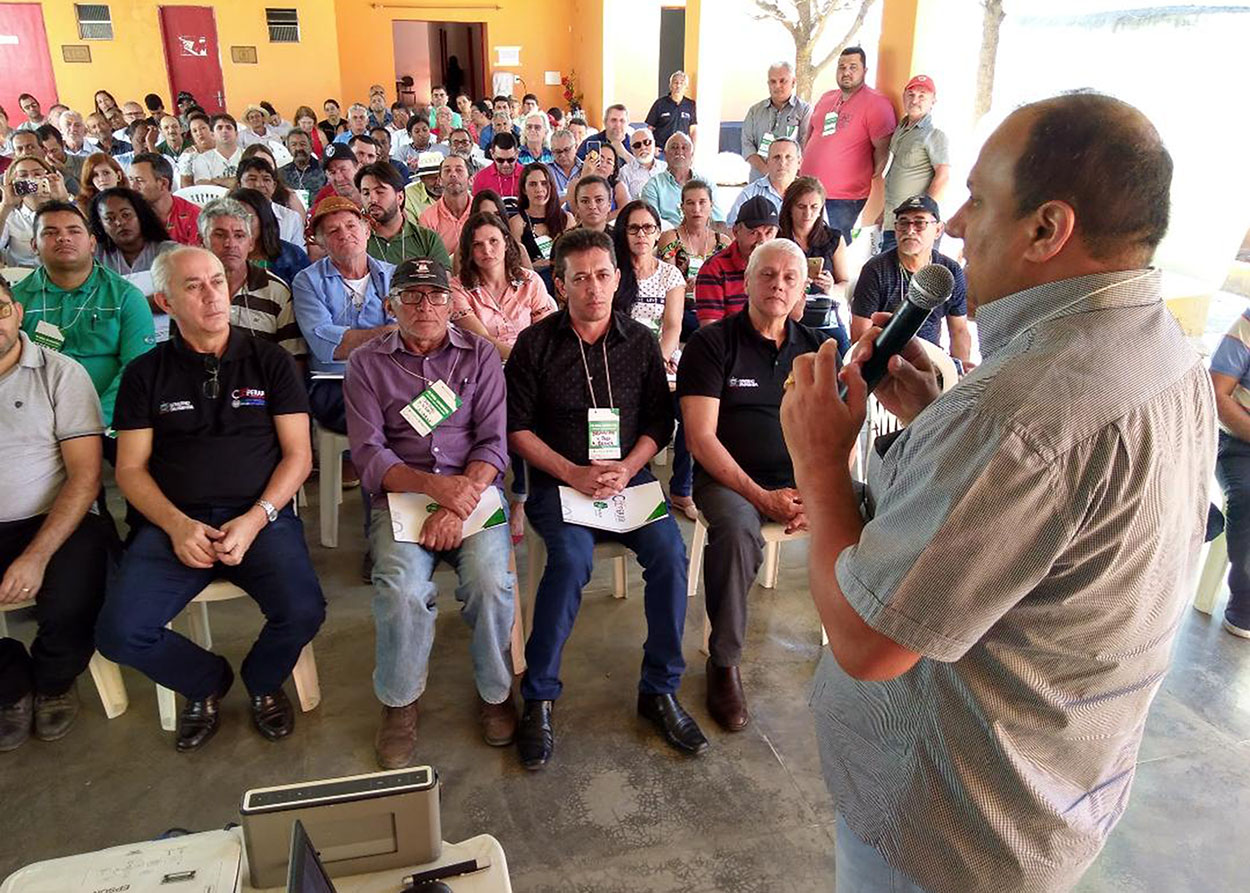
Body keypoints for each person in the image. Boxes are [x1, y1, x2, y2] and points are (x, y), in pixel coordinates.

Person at [780, 92, 1213, 892]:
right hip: (1055, 790)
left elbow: (870, 642)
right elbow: (1043, 526)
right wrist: (942, 423)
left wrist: (818, 463)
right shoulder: (1168, 352)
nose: (951, 226)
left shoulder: (1016, 414)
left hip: (946, 826)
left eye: (977, 200)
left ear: (1048, 229)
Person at [96, 246, 324, 752]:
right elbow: (130, 469)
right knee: (118, 632)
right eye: (194, 285)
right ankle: (206, 682)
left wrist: (256, 518)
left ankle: (263, 681)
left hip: (260, 518)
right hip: (172, 524)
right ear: (165, 301)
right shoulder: (145, 373)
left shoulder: (270, 362)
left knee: (304, 610)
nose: (212, 294)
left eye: (218, 281)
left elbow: (298, 457)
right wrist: (176, 526)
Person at [507, 228, 707, 769]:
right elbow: (517, 428)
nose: (593, 288)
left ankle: (659, 690)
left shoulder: (639, 342)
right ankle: (540, 697)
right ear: (560, 283)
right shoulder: (537, 344)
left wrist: (629, 467)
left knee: (670, 554)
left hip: (629, 477)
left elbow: (658, 422)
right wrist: (571, 470)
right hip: (561, 479)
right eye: (579, 278)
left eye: (602, 275)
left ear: (619, 279)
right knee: (569, 561)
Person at [344, 257, 515, 766]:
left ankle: (497, 694)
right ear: (389, 303)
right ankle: (399, 702)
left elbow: (494, 443)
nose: (426, 306)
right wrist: (434, 491)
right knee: (400, 588)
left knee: (490, 582)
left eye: (437, 296)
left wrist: (457, 501)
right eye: (412, 296)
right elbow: (369, 454)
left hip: (473, 492)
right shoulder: (367, 363)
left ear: (452, 302)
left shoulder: (479, 356)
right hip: (402, 495)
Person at [678, 237, 825, 732]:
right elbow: (700, 439)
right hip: (728, 481)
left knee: (878, 507)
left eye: (789, 278)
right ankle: (723, 663)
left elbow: (835, 432)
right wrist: (762, 497)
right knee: (739, 531)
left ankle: (872, 646)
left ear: (803, 287)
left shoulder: (818, 350)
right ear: (746, 282)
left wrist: (818, 493)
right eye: (767, 274)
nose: (777, 285)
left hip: (800, 480)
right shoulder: (712, 344)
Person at [0, 280, 112, 752]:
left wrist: (36, 556)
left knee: (73, 592)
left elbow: (85, 478)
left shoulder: (59, 373)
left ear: (17, 311)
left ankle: (53, 678)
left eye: (0, 309)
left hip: (53, 515)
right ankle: (10, 684)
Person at [13, 201, 154, 430]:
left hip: (109, 422)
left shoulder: (126, 297)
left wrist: (94, 421)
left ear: (91, 243)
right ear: (34, 246)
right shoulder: (16, 301)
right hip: (34, 423)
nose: (63, 238)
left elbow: (137, 370)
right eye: (50, 232)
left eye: (74, 231)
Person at [613, 201, 695, 518]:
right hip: (621, 361)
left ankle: (681, 490)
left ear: (658, 232)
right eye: (634, 228)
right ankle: (638, 481)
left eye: (648, 228)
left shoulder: (670, 275)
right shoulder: (614, 272)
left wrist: (657, 359)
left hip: (662, 361)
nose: (642, 235)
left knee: (691, 412)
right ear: (623, 232)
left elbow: (673, 327)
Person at [292, 196, 396, 436]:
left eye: (351, 225)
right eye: (332, 230)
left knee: (442, 401)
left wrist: (356, 339)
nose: (344, 234)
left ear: (367, 230)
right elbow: (327, 346)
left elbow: (408, 339)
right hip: (335, 382)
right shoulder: (307, 281)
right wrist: (389, 334)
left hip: (393, 377)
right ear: (321, 243)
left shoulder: (393, 276)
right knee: (389, 415)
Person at [850, 195, 970, 365]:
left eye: (920, 223)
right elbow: (859, 334)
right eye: (903, 222)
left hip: (932, 358)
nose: (910, 230)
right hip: (886, 358)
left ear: (938, 230)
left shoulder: (949, 271)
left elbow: (959, 330)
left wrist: (960, 372)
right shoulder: (876, 269)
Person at [800, 47, 896, 244]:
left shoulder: (877, 104)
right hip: (810, 190)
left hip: (844, 197)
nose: (846, 72)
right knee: (805, 243)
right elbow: (811, 134)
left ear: (865, 71)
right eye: (842, 67)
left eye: (853, 67)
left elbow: (883, 150)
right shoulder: (827, 98)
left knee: (835, 247)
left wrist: (862, 175)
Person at [199, 196, 307, 359]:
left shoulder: (275, 291)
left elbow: (293, 359)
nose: (230, 243)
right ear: (202, 241)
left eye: (239, 235)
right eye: (219, 235)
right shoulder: (190, 290)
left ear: (250, 243)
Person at [450, 211, 555, 361]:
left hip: (532, 363)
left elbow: (544, 334)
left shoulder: (530, 281)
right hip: (482, 366)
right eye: (477, 244)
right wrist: (521, 362)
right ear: (469, 251)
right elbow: (482, 340)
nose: (487, 250)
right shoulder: (457, 288)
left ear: (506, 242)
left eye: (493, 241)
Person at [880, 75, 949, 251]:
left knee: (915, 277)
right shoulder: (901, 130)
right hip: (893, 222)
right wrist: (883, 214)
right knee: (889, 276)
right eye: (911, 94)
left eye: (922, 96)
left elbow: (943, 177)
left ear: (933, 101)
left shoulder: (934, 134)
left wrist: (924, 217)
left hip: (914, 229)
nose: (914, 100)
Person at [658, 180, 731, 336]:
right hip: (681, 306)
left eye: (702, 202)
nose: (696, 209)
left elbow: (729, 283)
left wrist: (705, 285)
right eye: (690, 203)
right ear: (682, 207)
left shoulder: (723, 242)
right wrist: (685, 287)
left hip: (715, 306)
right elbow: (666, 281)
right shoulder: (671, 238)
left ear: (711, 205)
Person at [694, 196, 779, 326]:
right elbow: (710, 332)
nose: (762, 240)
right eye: (754, 232)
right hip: (731, 344)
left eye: (769, 232)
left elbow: (793, 318)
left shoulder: (783, 266)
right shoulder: (714, 269)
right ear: (736, 231)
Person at [357, 161, 451, 268]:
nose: (372, 200)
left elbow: (444, 279)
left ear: (400, 197)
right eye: (366, 193)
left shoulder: (427, 239)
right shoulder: (357, 239)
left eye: (380, 192)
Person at [741, 61, 813, 183]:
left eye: (782, 81)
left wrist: (783, 173)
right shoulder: (755, 111)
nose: (777, 86)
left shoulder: (804, 110)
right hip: (759, 181)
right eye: (773, 82)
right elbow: (747, 146)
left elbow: (805, 146)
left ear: (793, 82)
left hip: (790, 183)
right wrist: (768, 171)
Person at [229, 187, 311, 289]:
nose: (239, 226)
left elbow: (306, 295)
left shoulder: (292, 255)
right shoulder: (218, 256)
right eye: (232, 218)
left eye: (246, 218)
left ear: (263, 218)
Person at [89, 187, 178, 279]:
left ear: (140, 215)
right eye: (110, 219)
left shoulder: (170, 252)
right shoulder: (94, 256)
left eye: (126, 215)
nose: (120, 223)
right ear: (101, 224)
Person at [642, 133, 722, 228]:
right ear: (666, 155)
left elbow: (718, 221)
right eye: (674, 147)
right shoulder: (653, 186)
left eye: (684, 148)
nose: (679, 151)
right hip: (667, 240)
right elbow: (652, 224)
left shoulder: (707, 184)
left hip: (704, 238)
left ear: (692, 155)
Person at [1, 158, 70, 267]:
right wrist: (5, 206)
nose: (31, 179)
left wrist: (63, 200)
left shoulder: (65, 207)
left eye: (37, 174)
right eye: (23, 176)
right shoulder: (9, 215)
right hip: (22, 278)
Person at [510, 162, 574, 275]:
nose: (539, 189)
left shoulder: (567, 219)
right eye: (533, 184)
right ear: (524, 189)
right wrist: (532, 266)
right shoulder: (517, 223)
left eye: (544, 183)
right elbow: (514, 265)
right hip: (532, 281)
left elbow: (575, 257)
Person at [128, 152, 200, 246]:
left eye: (139, 180)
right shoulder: (129, 215)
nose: (133, 187)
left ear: (163, 184)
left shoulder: (193, 216)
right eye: (131, 180)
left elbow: (197, 256)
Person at [727, 137, 803, 226]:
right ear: (767, 162)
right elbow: (733, 228)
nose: (782, 162)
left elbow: (821, 231)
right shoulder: (750, 194)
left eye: (788, 157)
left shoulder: (809, 193)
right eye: (776, 157)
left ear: (799, 163)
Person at [236, 157, 304, 244]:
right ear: (239, 185)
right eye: (252, 179)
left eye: (266, 179)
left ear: (274, 186)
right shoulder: (228, 216)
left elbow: (298, 255)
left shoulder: (291, 219)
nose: (260, 185)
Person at [418, 155, 473, 258]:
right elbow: (429, 260)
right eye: (447, 170)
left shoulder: (481, 210)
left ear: (470, 180)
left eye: (459, 170)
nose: (453, 174)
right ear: (440, 180)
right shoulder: (428, 218)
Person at [564, 144, 628, 220]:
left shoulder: (617, 186)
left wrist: (602, 219)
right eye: (600, 159)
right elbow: (577, 214)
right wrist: (585, 175)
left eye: (609, 162)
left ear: (613, 170)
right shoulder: (574, 183)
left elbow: (625, 211)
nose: (603, 164)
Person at [646, 71, 698, 150]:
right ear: (670, 86)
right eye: (675, 82)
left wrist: (693, 149)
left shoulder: (690, 105)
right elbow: (649, 128)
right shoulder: (660, 103)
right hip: (662, 150)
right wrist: (652, 148)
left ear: (686, 88)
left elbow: (693, 130)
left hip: (681, 151)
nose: (678, 86)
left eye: (682, 83)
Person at [192, 114, 243, 187]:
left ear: (236, 134)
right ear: (212, 135)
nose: (224, 131)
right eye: (219, 128)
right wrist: (236, 181)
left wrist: (216, 180)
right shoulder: (203, 159)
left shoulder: (247, 154)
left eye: (229, 127)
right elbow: (203, 185)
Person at [473, 133, 522, 203]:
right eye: (500, 160)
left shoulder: (526, 175)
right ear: (492, 153)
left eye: (511, 160)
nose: (506, 164)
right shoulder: (481, 177)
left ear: (517, 153)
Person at [619, 127, 666, 201]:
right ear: (632, 150)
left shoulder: (666, 168)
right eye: (637, 145)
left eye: (647, 142)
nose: (643, 147)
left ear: (654, 144)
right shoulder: (625, 173)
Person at [311, 143, 362, 209]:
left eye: (343, 169)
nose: (339, 178)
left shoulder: (375, 196)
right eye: (332, 172)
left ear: (358, 168)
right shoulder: (324, 203)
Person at [76, 153, 126, 218]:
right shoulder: (83, 207)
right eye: (96, 175)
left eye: (106, 173)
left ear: (119, 175)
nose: (101, 179)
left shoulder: (132, 199)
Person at [280, 128, 326, 193]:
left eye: (303, 144)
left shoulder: (325, 169)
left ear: (311, 146)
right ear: (288, 149)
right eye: (294, 145)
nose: (298, 148)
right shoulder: (281, 174)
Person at [176, 113, 215, 189]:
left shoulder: (223, 148)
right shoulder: (189, 155)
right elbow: (186, 186)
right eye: (194, 131)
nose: (199, 133)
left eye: (202, 128)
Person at [546, 128, 582, 201]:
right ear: (552, 152)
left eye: (566, 150)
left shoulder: (585, 168)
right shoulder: (546, 171)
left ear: (576, 147)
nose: (562, 155)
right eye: (557, 151)